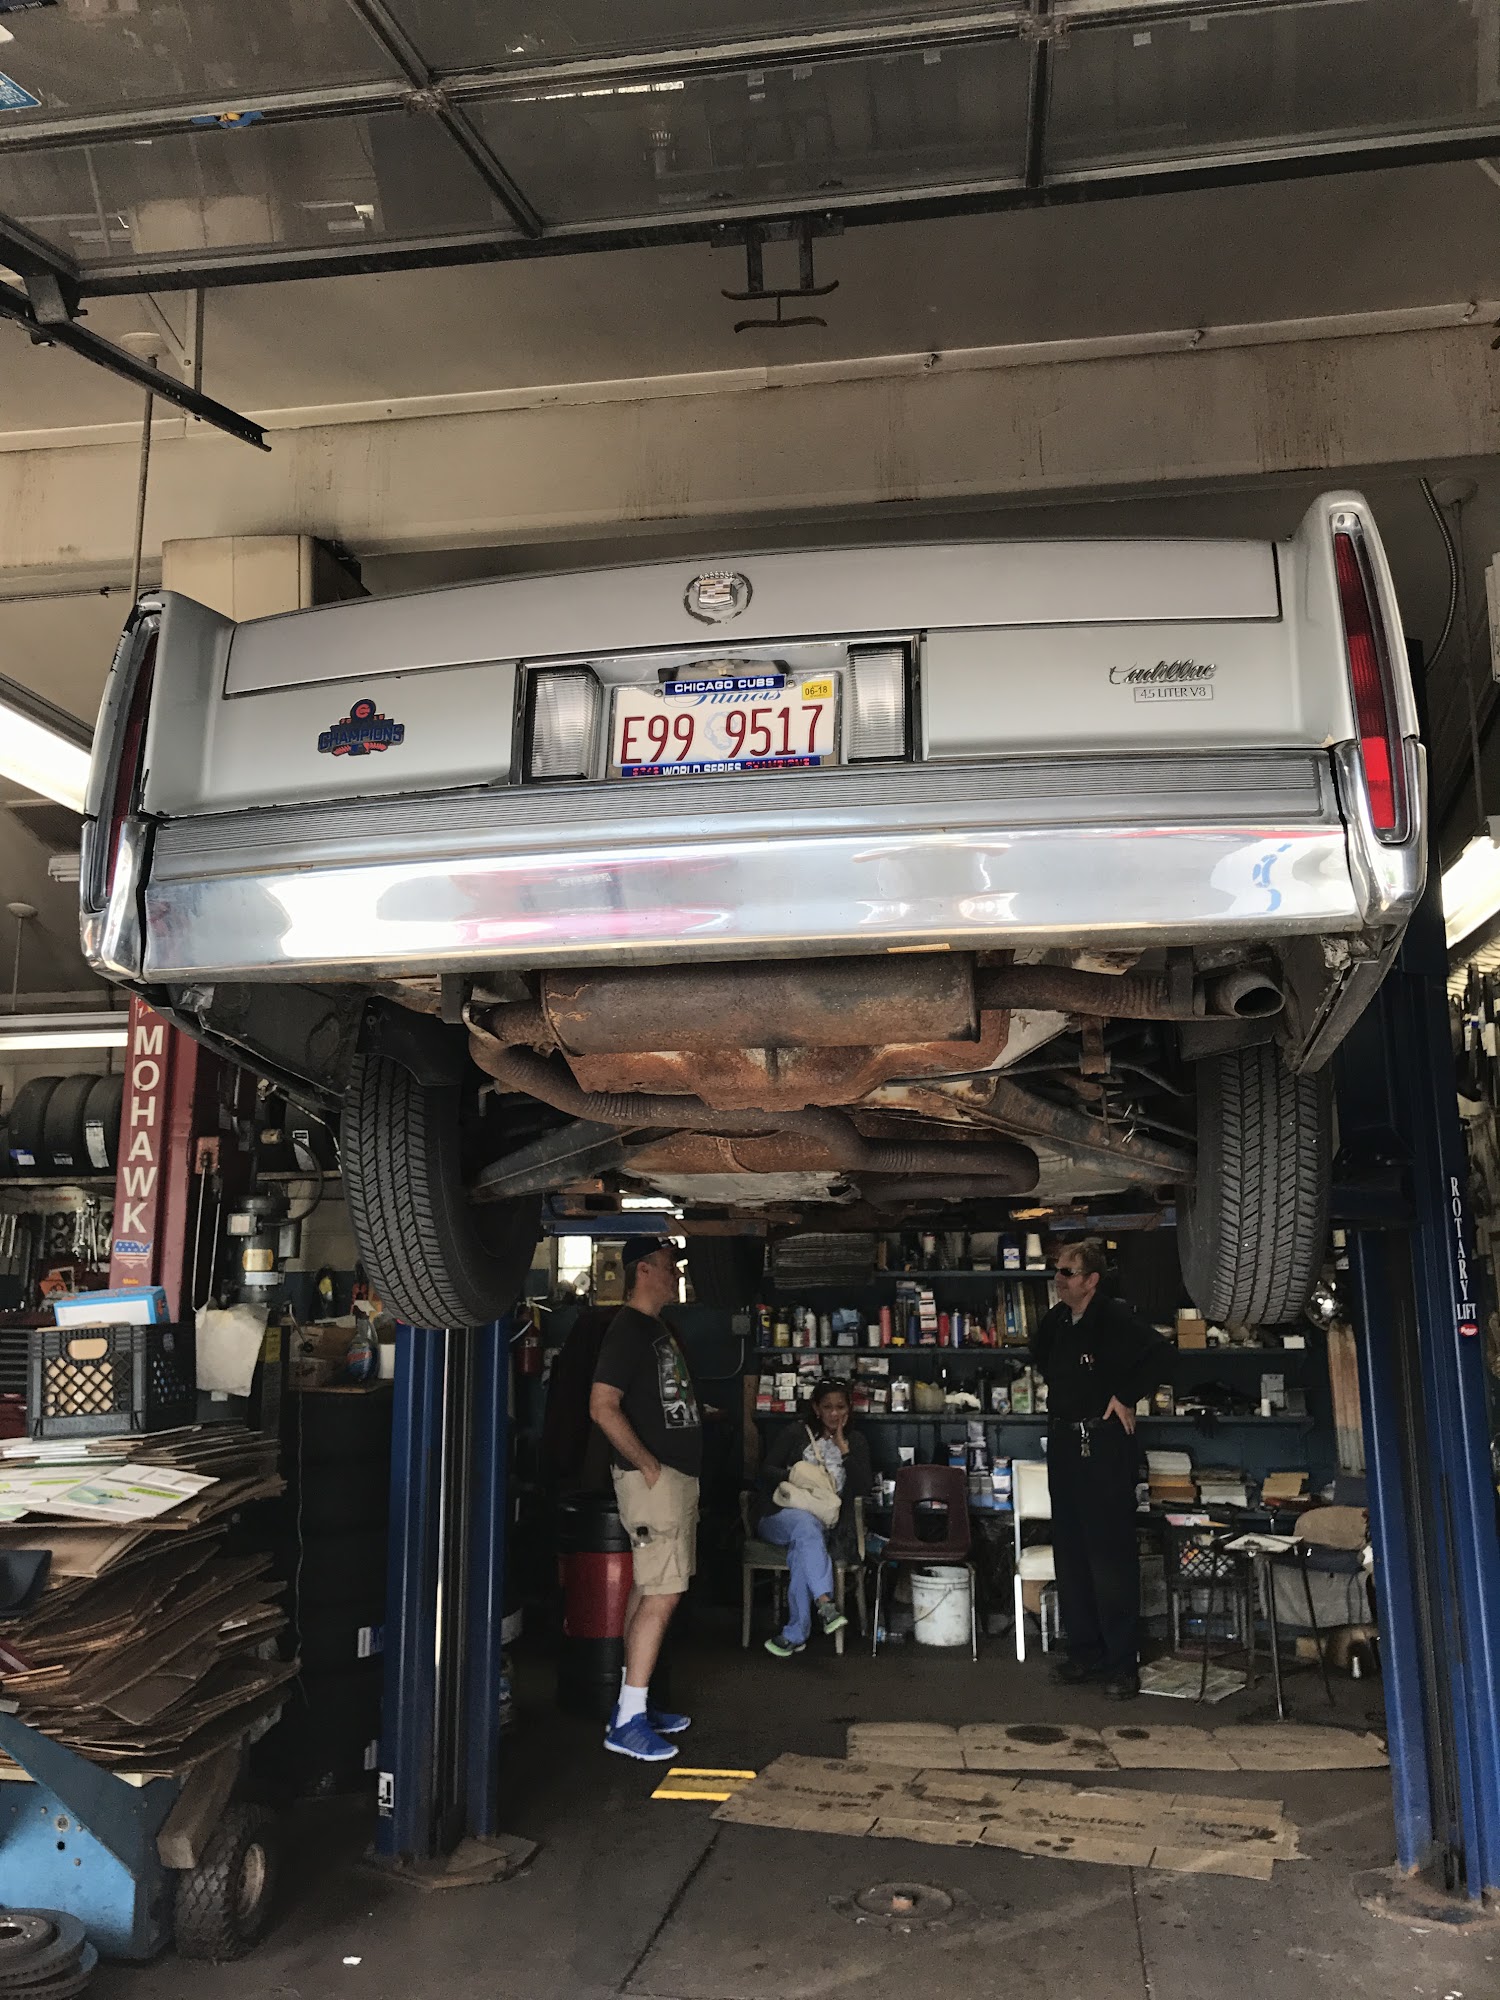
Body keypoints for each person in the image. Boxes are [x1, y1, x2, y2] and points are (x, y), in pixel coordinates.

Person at [1031, 1237, 1169, 1700]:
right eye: (1057, 1270)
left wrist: (1125, 1395)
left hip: (1103, 1443)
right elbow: (1039, 1356)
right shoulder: (1056, 1320)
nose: (1058, 1278)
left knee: (1109, 1555)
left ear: (1091, 1280)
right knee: (1071, 1551)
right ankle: (1084, 1651)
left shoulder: (1114, 1317)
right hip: (1065, 1441)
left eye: (1067, 1272)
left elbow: (1161, 1354)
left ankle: (1121, 1662)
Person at [589, 1237, 699, 1761]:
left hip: (671, 1480)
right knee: (662, 1594)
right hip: (656, 1483)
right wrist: (649, 1465)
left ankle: (633, 1702)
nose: (677, 1275)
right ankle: (628, 1722)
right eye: (670, 1267)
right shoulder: (628, 1329)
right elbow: (601, 1406)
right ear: (644, 1271)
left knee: (648, 1587)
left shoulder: (654, 1328)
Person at [755, 1379, 872, 1659]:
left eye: (840, 1407)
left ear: (849, 1409)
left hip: (822, 1525)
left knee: (803, 1548)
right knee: (805, 1527)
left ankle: (795, 1634)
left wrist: (843, 1449)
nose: (834, 1413)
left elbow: (864, 1486)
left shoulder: (856, 1441)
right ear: (816, 1409)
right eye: (827, 1407)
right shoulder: (796, 1433)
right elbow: (765, 1471)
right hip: (779, 1517)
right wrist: (798, 1477)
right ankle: (825, 1602)